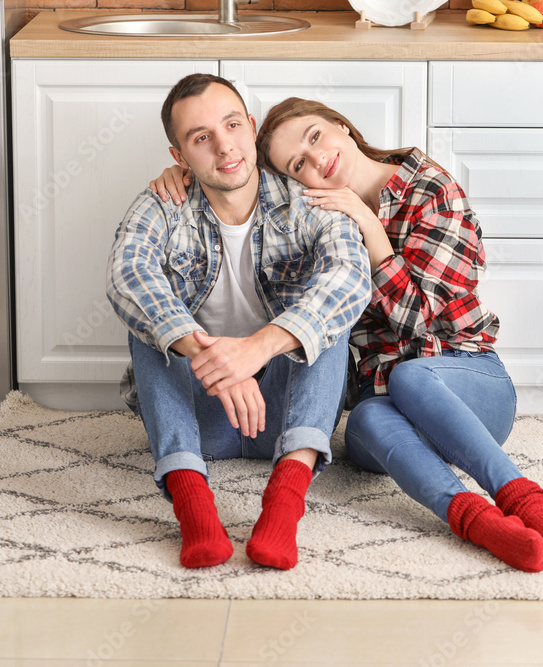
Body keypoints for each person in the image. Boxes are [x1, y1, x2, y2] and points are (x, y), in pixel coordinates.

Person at [149, 98, 543, 573]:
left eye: (316, 137)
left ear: (342, 125)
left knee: (411, 379)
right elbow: (239, 182)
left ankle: (527, 503)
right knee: (362, 424)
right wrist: (185, 177)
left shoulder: (432, 190)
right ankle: (475, 520)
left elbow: (420, 319)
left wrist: (370, 228)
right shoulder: (318, 216)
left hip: (468, 385)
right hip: (384, 400)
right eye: (299, 164)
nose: (317, 159)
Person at [107, 78, 371, 571]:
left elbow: (351, 279)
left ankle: (285, 503)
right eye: (201, 137)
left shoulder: (307, 202)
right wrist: (210, 356)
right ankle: (192, 505)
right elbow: (128, 275)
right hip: (203, 413)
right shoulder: (161, 204)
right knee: (150, 324)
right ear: (180, 154)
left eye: (231, 125)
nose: (224, 145)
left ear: (251, 129)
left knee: (324, 326)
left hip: (284, 415)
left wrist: (256, 349)